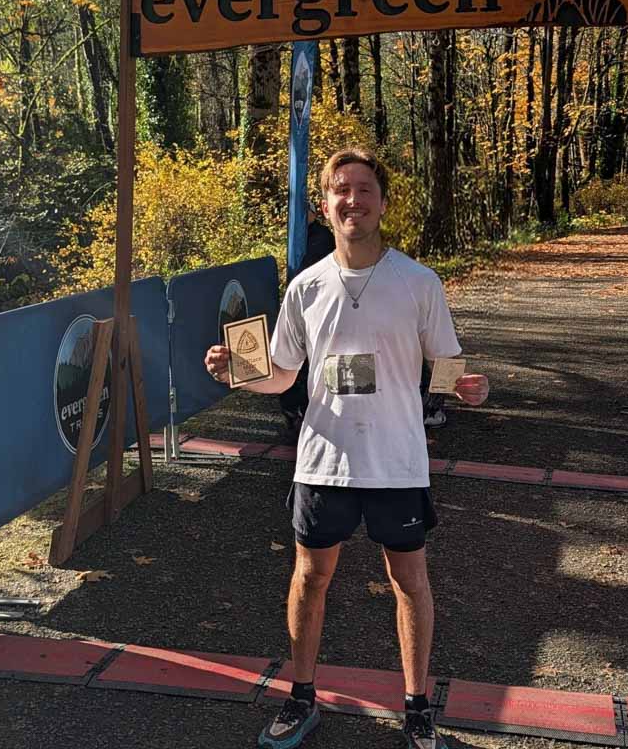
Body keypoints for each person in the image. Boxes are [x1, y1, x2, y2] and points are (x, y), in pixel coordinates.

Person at [203, 147, 489, 749]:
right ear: (326, 206)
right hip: (324, 459)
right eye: (340, 190)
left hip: (397, 461)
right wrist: (237, 368)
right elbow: (282, 374)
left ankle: (416, 709)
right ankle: (300, 697)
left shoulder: (418, 282)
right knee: (310, 577)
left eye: (363, 189)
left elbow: (446, 367)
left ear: (381, 202)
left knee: (410, 580)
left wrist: (470, 389)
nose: (352, 199)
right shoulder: (305, 287)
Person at [278, 205, 336, 443]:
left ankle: (300, 414)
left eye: (305, 211)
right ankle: (296, 414)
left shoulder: (321, 238)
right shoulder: (302, 238)